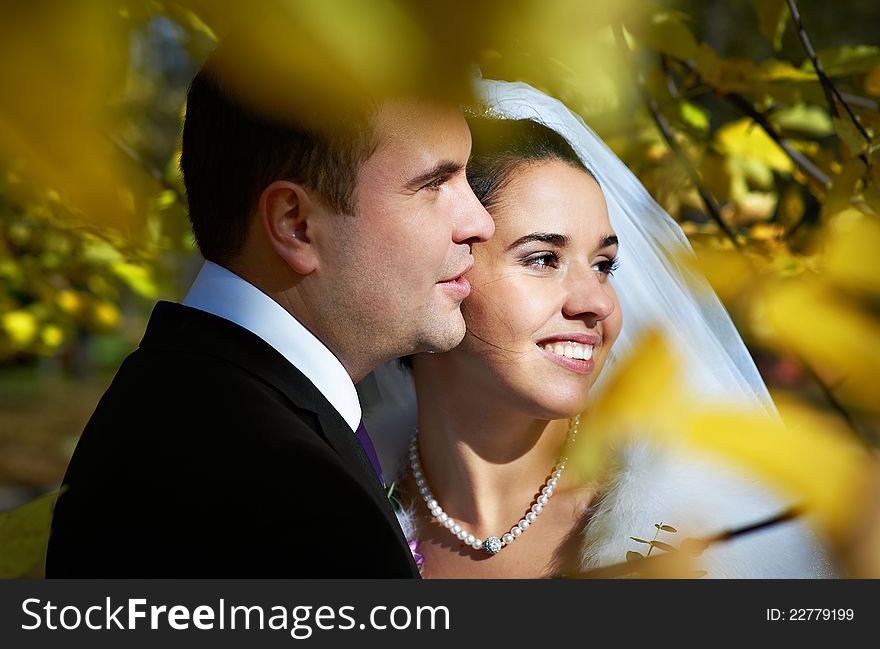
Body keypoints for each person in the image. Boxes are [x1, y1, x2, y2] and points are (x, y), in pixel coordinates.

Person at [45, 42, 494, 577]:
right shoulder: (279, 487)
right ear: (295, 224)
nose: (479, 223)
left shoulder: (190, 401)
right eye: (434, 184)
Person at [373, 79, 833, 578]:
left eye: (603, 265)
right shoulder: (330, 507)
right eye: (543, 258)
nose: (597, 302)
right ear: (443, 271)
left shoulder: (714, 533)